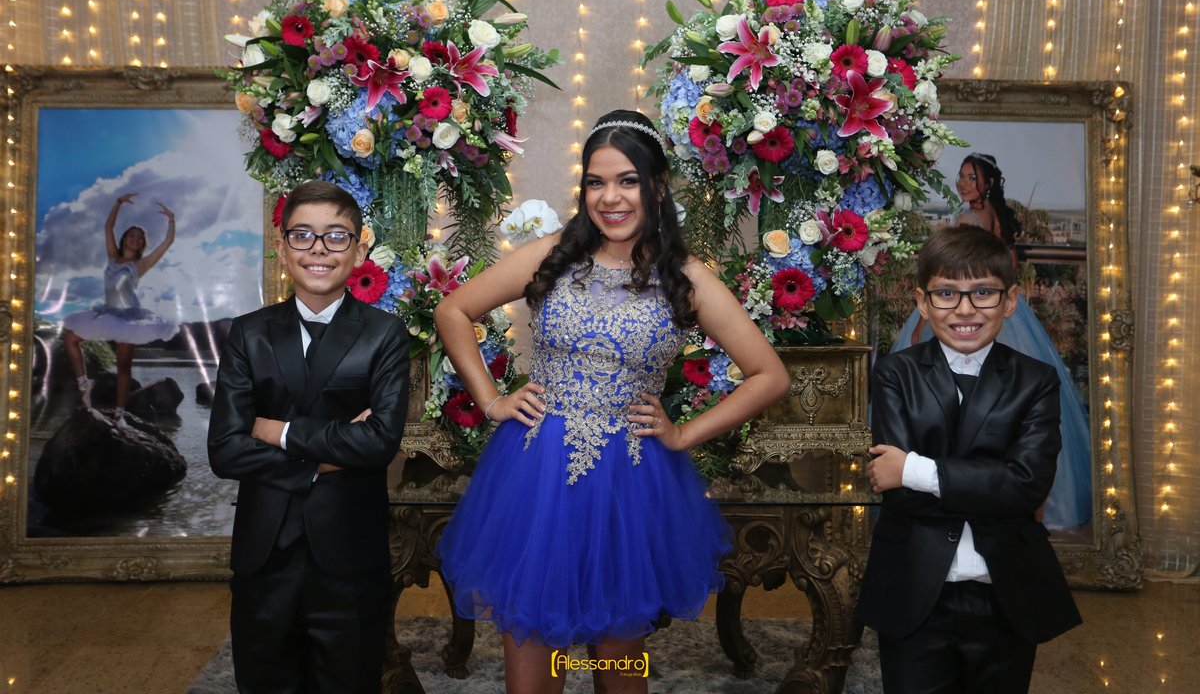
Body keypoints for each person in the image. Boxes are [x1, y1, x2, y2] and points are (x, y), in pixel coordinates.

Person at [433, 109, 791, 694]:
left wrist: (683, 434)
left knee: (618, 660)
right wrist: (491, 400)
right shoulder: (552, 255)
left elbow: (769, 376)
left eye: (627, 180)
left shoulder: (686, 277)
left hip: (629, 478)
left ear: (657, 185)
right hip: (536, 472)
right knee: (532, 643)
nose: (610, 197)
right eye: (596, 182)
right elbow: (453, 310)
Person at [207, 180, 410, 694]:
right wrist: (324, 458)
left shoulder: (384, 333)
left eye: (336, 236)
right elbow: (225, 449)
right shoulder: (248, 333)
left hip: (351, 552)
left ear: (359, 249)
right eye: (303, 235)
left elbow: (380, 443)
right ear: (282, 248)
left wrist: (277, 431)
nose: (319, 249)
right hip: (264, 552)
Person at [860, 225, 1082, 694]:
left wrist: (915, 469)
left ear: (1010, 300)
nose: (965, 309)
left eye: (983, 292)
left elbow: (1027, 486)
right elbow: (901, 497)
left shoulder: (1036, 380)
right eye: (946, 293)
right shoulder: (896, 373)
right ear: (923, 302)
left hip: (1006, 593)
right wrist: (993, 484)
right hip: (914, 587)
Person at [893, 153, 1092, 531]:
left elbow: (949, 275)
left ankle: (954, 489)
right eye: (961, 176)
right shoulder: (997, 217)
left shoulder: (966, 221)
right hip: (1001, 310)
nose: (963, 183)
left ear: (988, 183)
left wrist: (923, 321)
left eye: (972, 178)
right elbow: (1009, 265)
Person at [62, 193, 177, 426]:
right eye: (132, 235)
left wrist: (171, 220)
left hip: (129, 316)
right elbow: (108, 228)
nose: (135, 239)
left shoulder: (142, 264)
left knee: (124, 365)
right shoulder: (113, 257)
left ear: (143, 244)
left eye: (140, 238)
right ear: (125, 239)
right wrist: (118, 203)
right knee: (70, 339)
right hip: (107, 312)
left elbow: (167, 243)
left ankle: (119, 414)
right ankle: (84, 383)